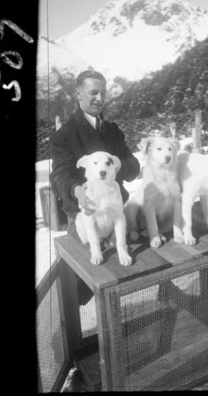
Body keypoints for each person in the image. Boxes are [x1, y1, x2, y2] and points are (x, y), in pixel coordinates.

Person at [49, 69, 140, 304]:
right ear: (78, 94)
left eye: (103, 93)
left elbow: (134, 165)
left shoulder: (111, 130)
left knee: (130, 273)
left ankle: (125, 326)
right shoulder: (65, 135)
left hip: (115, 211)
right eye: (93, 93)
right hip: (83, 214)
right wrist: (77, 191)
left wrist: (121, 164)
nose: (99, 98)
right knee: (87, 283)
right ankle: (84, 334)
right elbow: (60, 174)